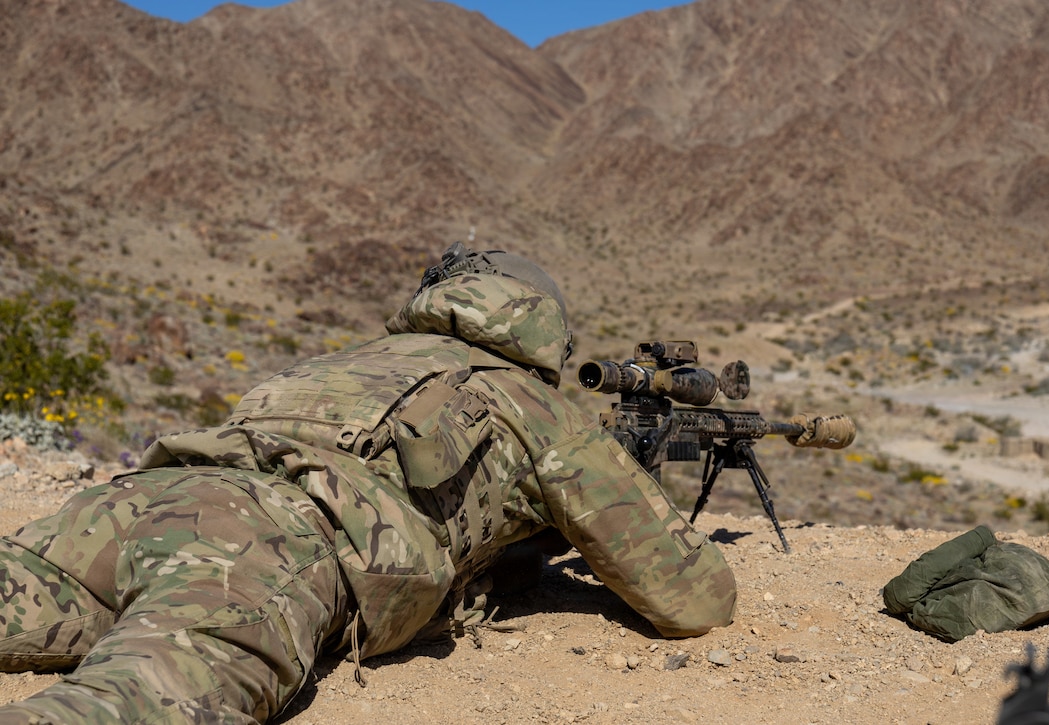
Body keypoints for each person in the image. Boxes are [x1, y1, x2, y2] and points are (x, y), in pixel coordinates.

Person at [0, 242, 738, 724]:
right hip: (263, 546)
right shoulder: (532, 404)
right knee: (121, 706)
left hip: (128, 504)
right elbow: (693, 596)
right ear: (544, 332)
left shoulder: (350, 359)